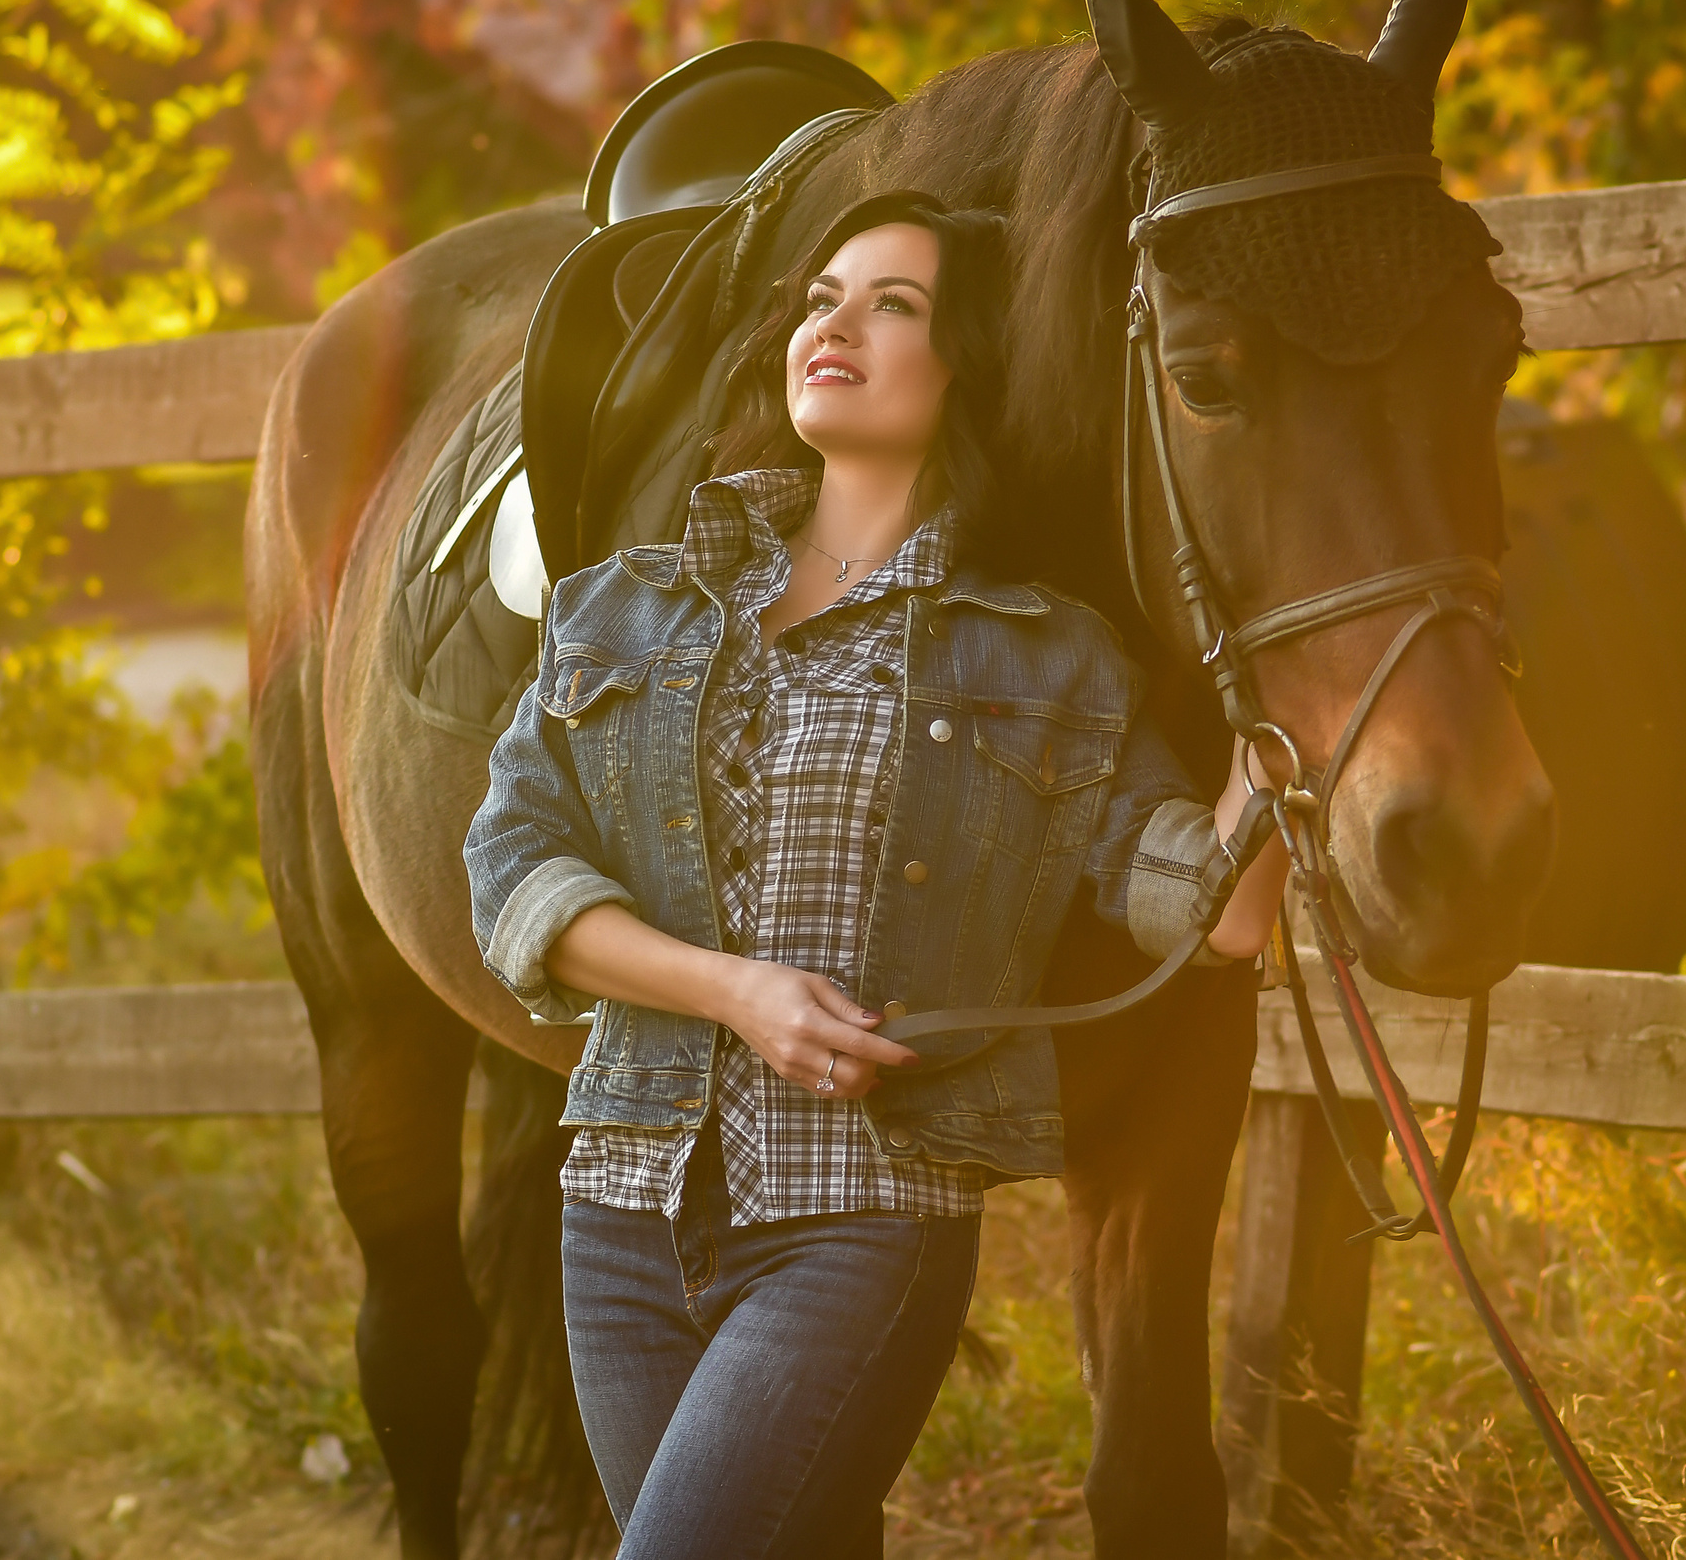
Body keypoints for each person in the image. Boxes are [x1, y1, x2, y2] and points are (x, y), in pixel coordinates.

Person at [465, 191, 1289, 1558]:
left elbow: (1209, 913)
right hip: (621, 1210)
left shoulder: (1046, 660)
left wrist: (1274, 725)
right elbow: (510, 872)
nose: (835, 324)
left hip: (861, 1224)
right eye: (820, 298)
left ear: (961, 363)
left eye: (891, 304)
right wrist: (736, 993)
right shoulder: (624, 605)